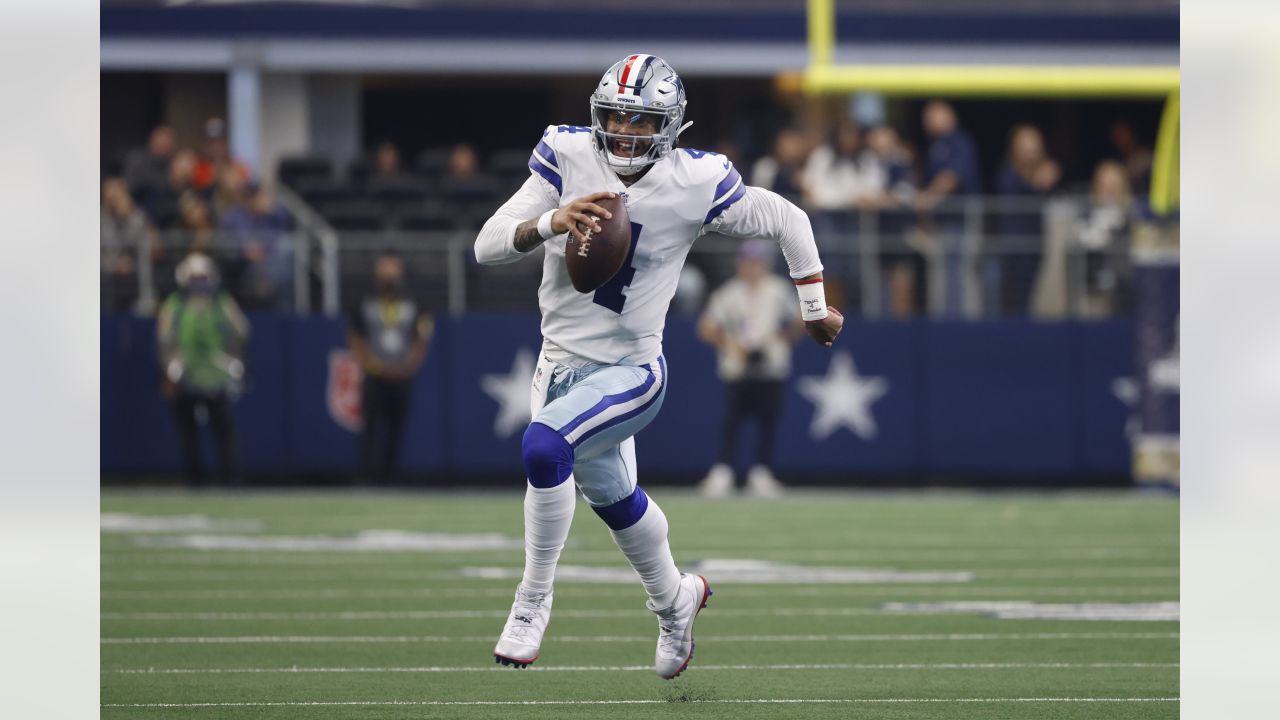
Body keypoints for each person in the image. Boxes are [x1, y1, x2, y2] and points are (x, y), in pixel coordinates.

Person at [474, 54, 843, 679]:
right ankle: (676, 600)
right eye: (614, 118)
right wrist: (548, 222)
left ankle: (533, 599)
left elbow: (787, 217)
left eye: (640, 121)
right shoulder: (566, 153)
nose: (623, 132)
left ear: (669, 126)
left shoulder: (695, 180)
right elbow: (486, 246)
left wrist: (812, 306)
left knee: (543, 449)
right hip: (557, 364)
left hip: (632, 370)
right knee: (615, 499)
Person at [697, 240, 803, 498]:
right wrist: (730, 344)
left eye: (757, 262)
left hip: (770, 365)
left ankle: (761, 472)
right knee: (732, 422)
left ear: (765, 264)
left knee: (768, 421)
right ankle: (723, 472)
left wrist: (780, 340)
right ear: (741, 264)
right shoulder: (728, 293)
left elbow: (800, 320)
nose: (752, 267)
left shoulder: (778, 290)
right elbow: (706, 327)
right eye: (748, 262)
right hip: (738, 365)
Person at [156, 253, 250, 486]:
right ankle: (194, 478)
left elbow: (240, 332)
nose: (199, 283)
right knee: (188, 432)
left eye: (203, 277)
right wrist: (170, 369)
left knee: (224, 430)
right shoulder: (175, 304)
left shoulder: (222, 302)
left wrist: (233, 363)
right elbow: (165, 339)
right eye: (195, 277)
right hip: (186, 374)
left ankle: (230, 477)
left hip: (216, 374)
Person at [346, 253, 433, 484]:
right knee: (370, 426)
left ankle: (391, 476)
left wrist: (409, 365)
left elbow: (422, 338)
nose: (389, 274)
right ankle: (365, 475)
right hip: (374, 375)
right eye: (385, 268)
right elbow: (355, 336)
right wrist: (371, 363)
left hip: (402, 375)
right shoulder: (365, 302)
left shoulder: (414, 303)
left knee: (397, 427)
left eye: (393, 268)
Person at [917, 100, 981, 317]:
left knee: (961, 273)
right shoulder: (934, 145)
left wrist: (928, 199)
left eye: (933, 115)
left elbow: (952, 177)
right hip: (943, 222)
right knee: (944, 274)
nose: (927, 121)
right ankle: (947, 319)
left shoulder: (958, 141)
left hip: (962, 219)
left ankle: (959, 322)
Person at [991, 124, 1061, 315]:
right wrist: (1037, 183)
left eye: (1034, 144)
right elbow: (1019, 190)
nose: (1030, 150)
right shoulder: (1007, 173)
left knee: (1027, 299)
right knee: (1009, 300)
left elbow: (1050, 196)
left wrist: (1045, 182)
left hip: (1035, 244)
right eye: (1025, 144)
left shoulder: (1043, 174)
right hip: (1011, 246)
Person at [1075, 160, 1134, 315]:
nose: (1109, 190)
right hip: (1094, 286)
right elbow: (1084, 240)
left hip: (1126, 285)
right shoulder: (1087, 210)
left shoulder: (1132, 213)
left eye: (1114, 185)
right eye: (1105, 185)